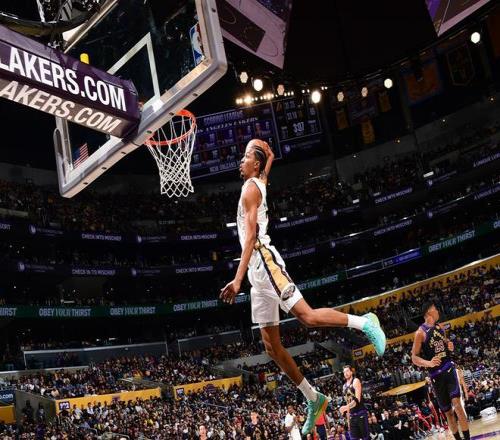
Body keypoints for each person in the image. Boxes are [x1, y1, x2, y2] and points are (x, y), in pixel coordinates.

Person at [220, 139, 386, 435]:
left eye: (246, 157)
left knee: (307, 317)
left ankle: (365, 323)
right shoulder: (259, 181)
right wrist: (269, 155)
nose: (240, 161)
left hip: (265, 264)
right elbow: (267, 169)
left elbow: (251, 238)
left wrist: (237, 279)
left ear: (255, 164)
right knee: (272, 348)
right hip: (258, 277)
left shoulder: (250, 189)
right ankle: (314, 397)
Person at [411, 302, 470, 440]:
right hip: (436, 376)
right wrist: (429, 363)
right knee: (448, 412)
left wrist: (450, 345)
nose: (438, 311)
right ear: (429, 312)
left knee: (457, 404)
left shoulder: (441, 327)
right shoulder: (420, 333)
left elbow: (446, 343)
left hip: (448, 369)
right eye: (435, 309)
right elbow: (414, 357)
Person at [340, 365, 369, 439]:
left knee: (365, 438)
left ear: (351, 372)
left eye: (347, 371)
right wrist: (348, 420)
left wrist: (345, 407)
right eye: (344, 372)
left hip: (360, 413)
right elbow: (347, 402)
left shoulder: (356, 381)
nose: (345, 373)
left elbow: (357, 400)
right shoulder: (344, 386)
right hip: (352, 416)